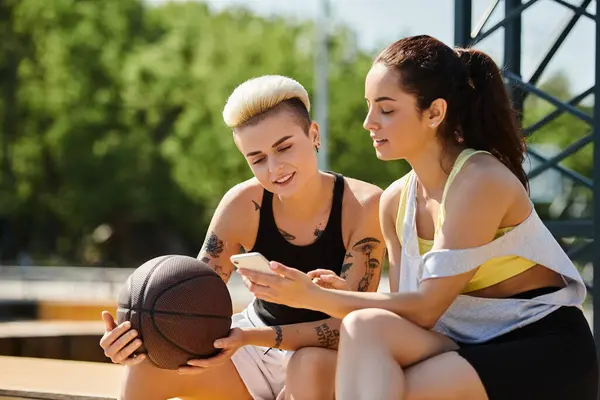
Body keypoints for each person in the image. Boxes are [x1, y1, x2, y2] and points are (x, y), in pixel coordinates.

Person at [235, 35, 599, 400]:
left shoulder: (479, 180)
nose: (369, 123)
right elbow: (401, 315)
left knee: (400, 384)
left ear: (435, 113)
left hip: (541, 349)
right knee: (343, 342)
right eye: (369, 107)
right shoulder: (395, 201)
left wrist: (312, 296)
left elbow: (425, 310)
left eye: (386, 109)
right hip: (462, 346)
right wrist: (345, 296)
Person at [98, 74, 385, 400]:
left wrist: (250, 337)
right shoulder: (241, 205)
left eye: (284, 147)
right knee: (147, 368)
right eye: (258, 159)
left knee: (308, 364)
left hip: (326, 359)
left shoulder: (365, 205)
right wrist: (136, 339)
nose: (275, 167)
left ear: (314, 134)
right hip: (251, 348)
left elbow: (349, 325)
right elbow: (191, 298)